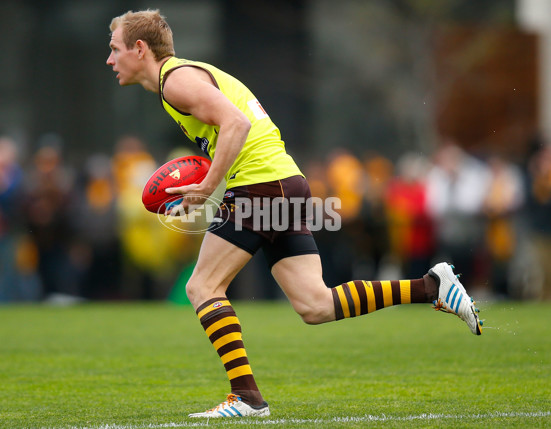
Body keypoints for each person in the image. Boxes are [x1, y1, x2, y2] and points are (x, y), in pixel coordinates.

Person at [106, 9, 483, 419]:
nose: (110, 60)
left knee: (201, 287)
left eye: (114, 49)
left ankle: (247, 398)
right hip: (284, 183)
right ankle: (431, 286)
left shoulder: (174, 80)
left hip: (261, 186)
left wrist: (207, 186)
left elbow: (235, 124)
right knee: (315, 305)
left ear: (140, 49)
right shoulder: (180, 77)